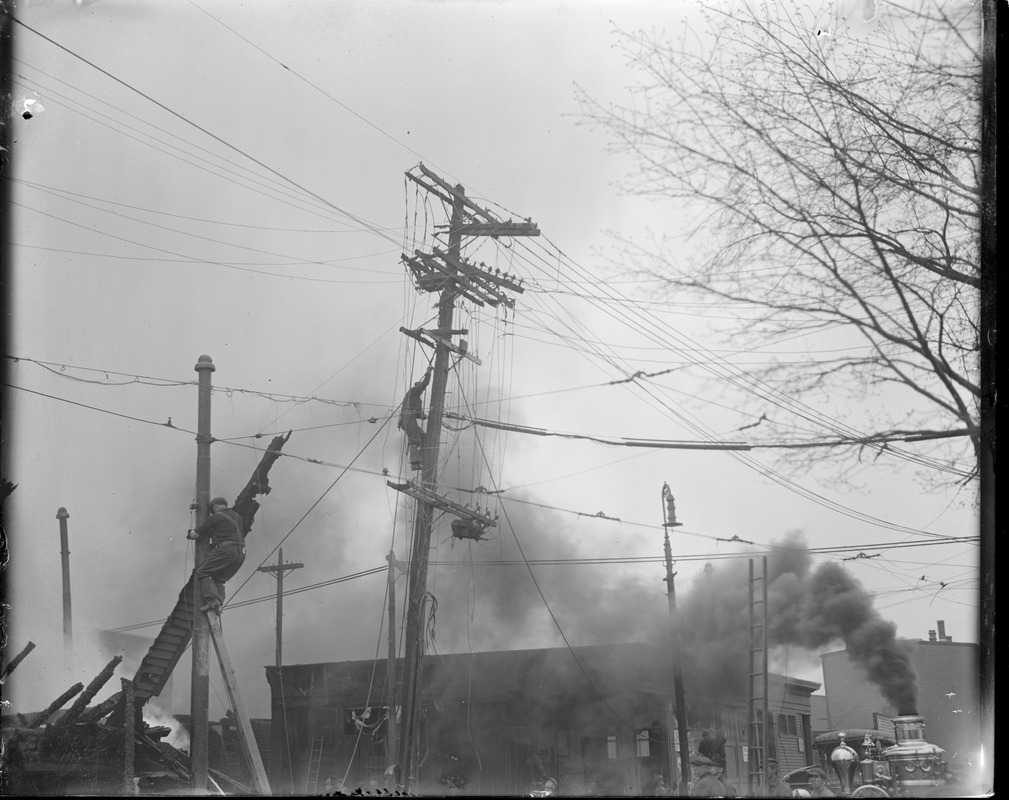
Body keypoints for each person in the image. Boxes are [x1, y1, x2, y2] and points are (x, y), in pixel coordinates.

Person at [188, 496, 246, 613]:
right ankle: (218, 603)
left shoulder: (215, 517)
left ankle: (212, 600)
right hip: (240, 553)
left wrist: (190, 533)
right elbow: (226, 531)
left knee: (202, 572)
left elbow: (195, 534)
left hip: (226, 550)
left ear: (215, 506)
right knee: (219, 579)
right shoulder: (237, 516)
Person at [398, 368, 431, 470]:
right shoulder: (413, 391)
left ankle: (420, 460)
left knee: (424, 438)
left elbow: (415, 412)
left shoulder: (414, 398)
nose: (422, 390)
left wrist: (421, 415)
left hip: (409, 418)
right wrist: (428, 372)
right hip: (407, 418)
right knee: (415, 440)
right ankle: (415, 463)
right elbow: (424, 384)